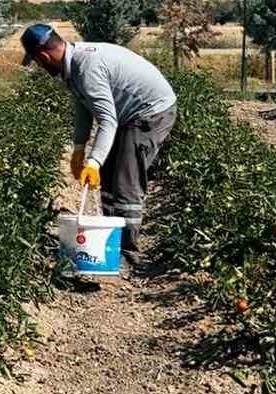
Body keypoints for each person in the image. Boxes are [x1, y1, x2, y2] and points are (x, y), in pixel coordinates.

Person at [20, 23, 177, 268]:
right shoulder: (72, 66)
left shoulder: (87, 67)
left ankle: (127, 251)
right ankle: (109, 238)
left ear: (44, 55)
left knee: (126, 180)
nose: (39, 67)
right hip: (129, 114)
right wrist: (79, 147)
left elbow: (107, 120)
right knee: (107, 172)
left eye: (37, 62)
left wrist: (93, 161)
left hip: (150, 112)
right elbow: (84, 106)